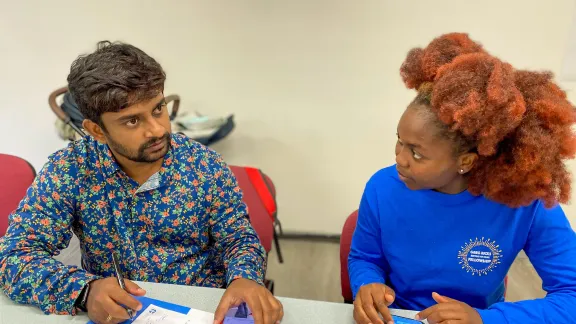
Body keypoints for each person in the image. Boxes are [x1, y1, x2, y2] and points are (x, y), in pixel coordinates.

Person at [0, 41, 283, 324]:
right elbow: (13, 256)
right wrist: (84, 291)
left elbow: (239, 238)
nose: (158, 129)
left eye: (158, 109)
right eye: (133, 121)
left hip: (203, 307)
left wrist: (245, 277)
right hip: (118, 311)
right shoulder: (71, 169)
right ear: (97, 130)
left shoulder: (204, 165)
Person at [348, 33, 576, 324]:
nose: (399, 159)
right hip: (399, 316)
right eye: (399, 141)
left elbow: (572, 295)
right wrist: (367, 284)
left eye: (417, 153)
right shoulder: (383, 188)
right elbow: (365, 259)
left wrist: (485, 319)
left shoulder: (525, 201)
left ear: (465, 162)